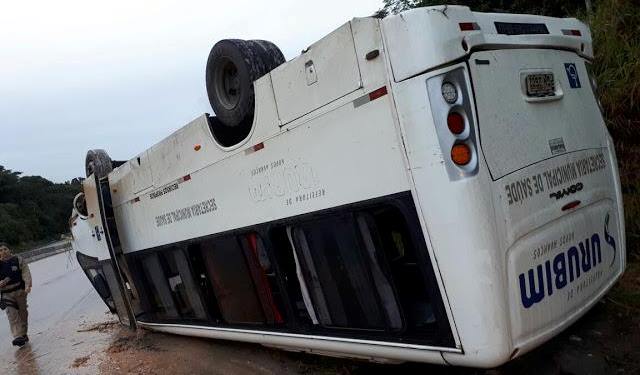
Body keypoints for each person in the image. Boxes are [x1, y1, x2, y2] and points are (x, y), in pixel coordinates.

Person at [0, 243, 32, 347]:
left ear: (9, 250)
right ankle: (17, 336)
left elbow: (25, 273)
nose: (3, 251)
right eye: (0, 250)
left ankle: (23, 333)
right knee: (12, 314)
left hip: (20, 291)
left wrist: (28, 285)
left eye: (5, 249)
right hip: (6, 294)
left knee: (23, 313)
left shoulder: (18, 260)